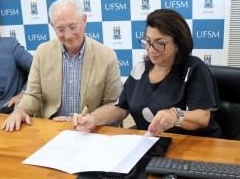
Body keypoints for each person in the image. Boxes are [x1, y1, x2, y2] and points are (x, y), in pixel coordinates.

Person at [73, 9, 222, 138]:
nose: (151, 49)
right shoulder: (140, 69)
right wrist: (93, 118)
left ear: (178, 43)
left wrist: (176, 115)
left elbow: (203, 117)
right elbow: (120, 109)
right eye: (148, 41)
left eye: (160, 43)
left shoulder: (193, 68)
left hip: (193, 146)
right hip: (152, 145)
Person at [1, 0, 121, 132]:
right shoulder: (42, 52)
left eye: (72, 27)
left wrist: (90, 118)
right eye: (61, 29)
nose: (68, 35)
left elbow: (114, 104)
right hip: (51, 127)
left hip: (89, 130)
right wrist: (21, 110)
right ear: (52, 26)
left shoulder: (107, 56)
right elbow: (34, 94)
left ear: (84, 20)